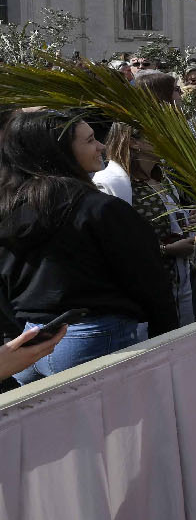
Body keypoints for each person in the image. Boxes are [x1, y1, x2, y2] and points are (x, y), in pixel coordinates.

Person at [0, 110, 178, 384]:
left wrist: (18, 335)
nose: (102, 146)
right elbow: (149, 279)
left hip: (29, 343)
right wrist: (167, 339)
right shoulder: (101, 210)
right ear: (61, 151)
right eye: (90, 140)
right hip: (91, 339)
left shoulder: (9, 209)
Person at [102, 123, 196, 325]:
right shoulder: (112, 183)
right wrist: (165, 249)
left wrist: (187, 221)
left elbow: (168, 222)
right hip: (147, 290)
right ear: (134, 142)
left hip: (178, 283)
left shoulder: (162, 178)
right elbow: (113, 242)